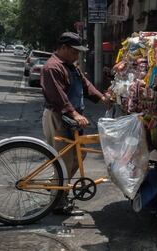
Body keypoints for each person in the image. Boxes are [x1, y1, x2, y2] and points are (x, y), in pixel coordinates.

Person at [40, 32, 108, 215]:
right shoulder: (52, 67)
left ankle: (58, 188)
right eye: (74, 51)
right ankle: (57, 201)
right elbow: (58, 97)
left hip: (72, 118)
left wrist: (102, 98)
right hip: (59, 116)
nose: (77, 55)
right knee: (64, 159)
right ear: (63, 48)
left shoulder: (71, 66)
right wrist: (74, 113)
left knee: (79, 156)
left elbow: (85, 85)